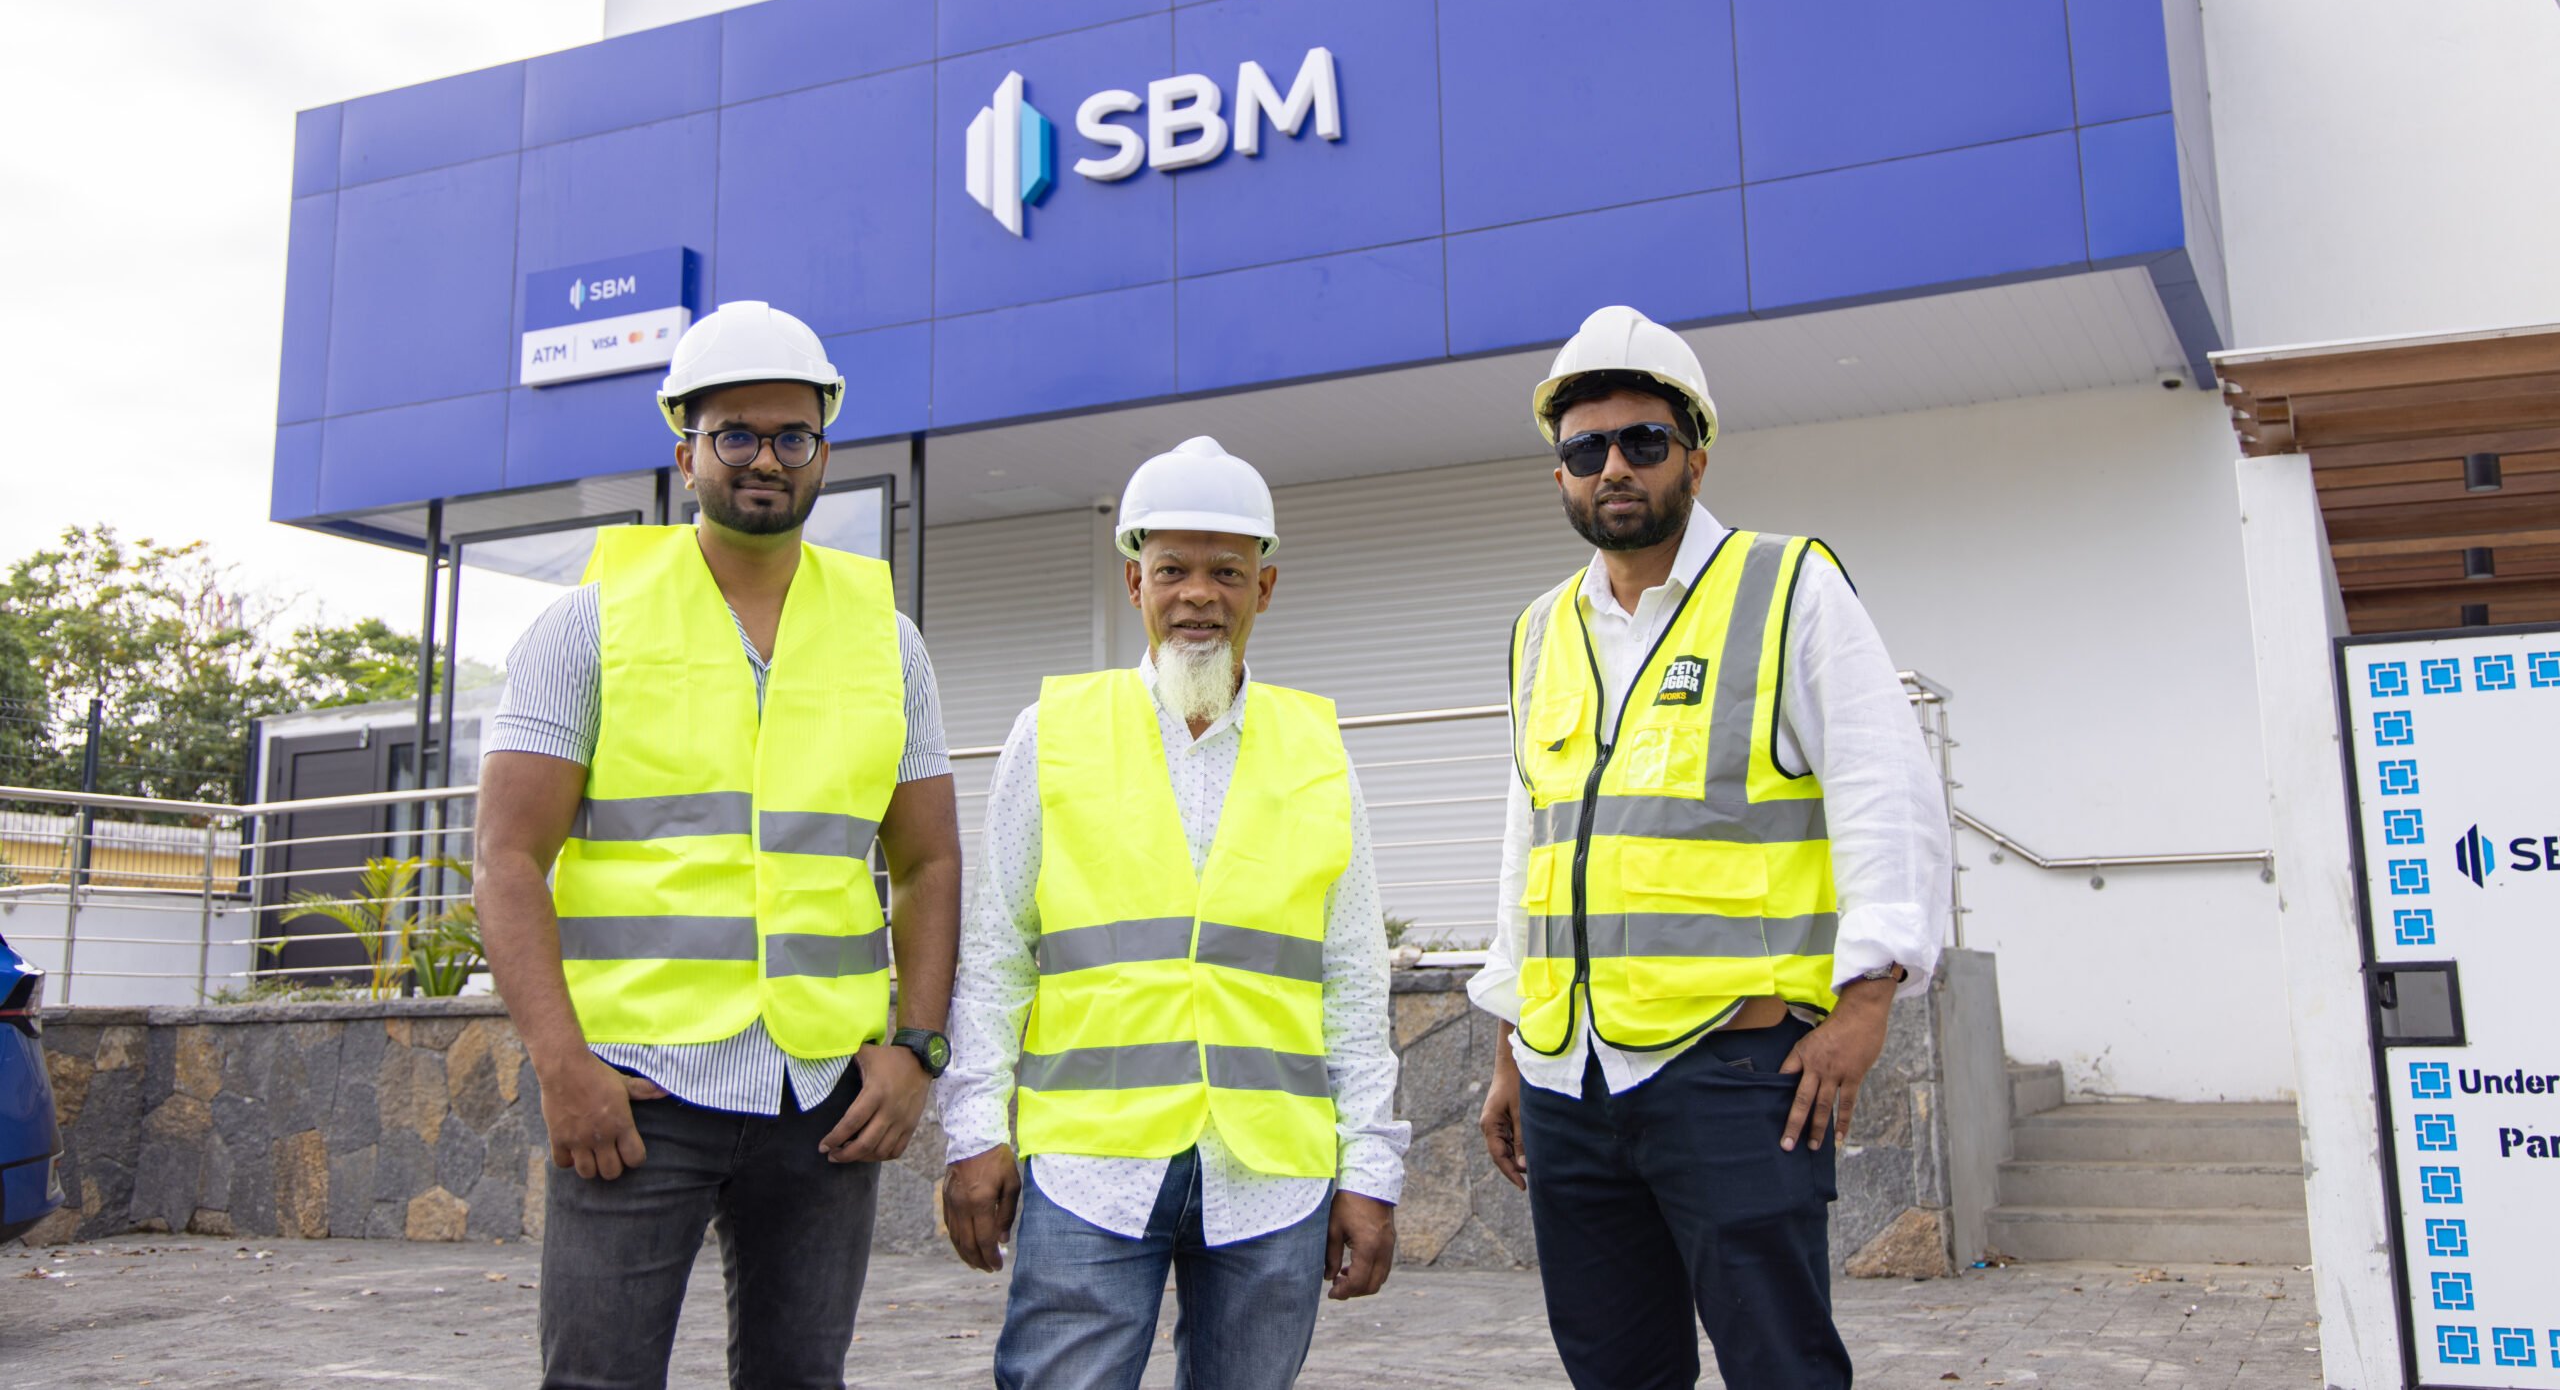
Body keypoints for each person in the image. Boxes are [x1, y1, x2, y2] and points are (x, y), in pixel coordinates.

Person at [475, 300, 963, 1390]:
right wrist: (562, 1064)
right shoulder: (586, 627)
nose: (765, 459)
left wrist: (917, 1049)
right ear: (684, 449)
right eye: (734, 434)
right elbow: (507, 860)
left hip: (821, 1094)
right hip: (637, 1093)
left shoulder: (889, 645)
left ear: (823, 451)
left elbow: (928, 862)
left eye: (792, 436)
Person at [1470, 305, 1951, 1390]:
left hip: (1735, 1069)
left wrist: (1869, 999)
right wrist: (1510, 1040)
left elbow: (1886, 791)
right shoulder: (1540, 630)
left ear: (1695, 453)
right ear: (1560, 473)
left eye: (1643, 441)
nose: (1613, 468)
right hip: (1567, 1076)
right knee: (1615, 1371)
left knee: (1780, 1365)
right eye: (1585, 450)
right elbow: (1529, 840)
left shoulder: (1788, 587)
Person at [938, 436, 1408, 1390]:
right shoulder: (1052, 734)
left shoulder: (1318, 750)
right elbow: (997, 952)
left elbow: (1354, 982)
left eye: (1226, 573)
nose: (1199, 595)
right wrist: (975, 1127)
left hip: (1271, 1179)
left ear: (1264, 588)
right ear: (1133, 584)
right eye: (1172, 571)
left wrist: (1370, 1169)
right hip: (1091, 1170)